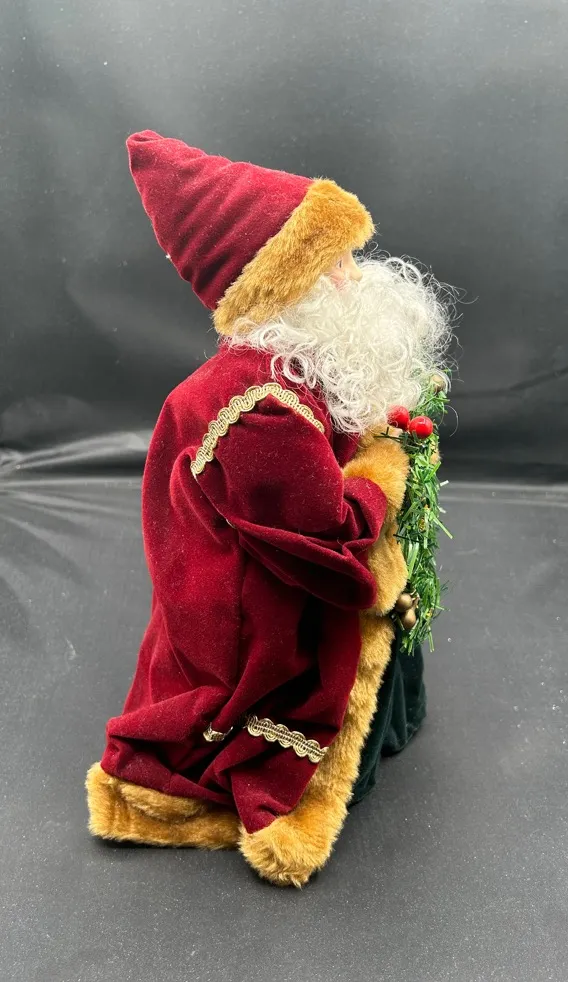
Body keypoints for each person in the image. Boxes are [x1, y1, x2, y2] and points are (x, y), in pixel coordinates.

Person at [86, 131, 451, 886]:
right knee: (319, 680)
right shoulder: (258, 407)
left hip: (270, 580)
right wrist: (386, 463)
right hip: (261, 623)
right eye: (335, 263)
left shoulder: (289, 370)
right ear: (287, 285)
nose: (355, 277)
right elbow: (332, 538)